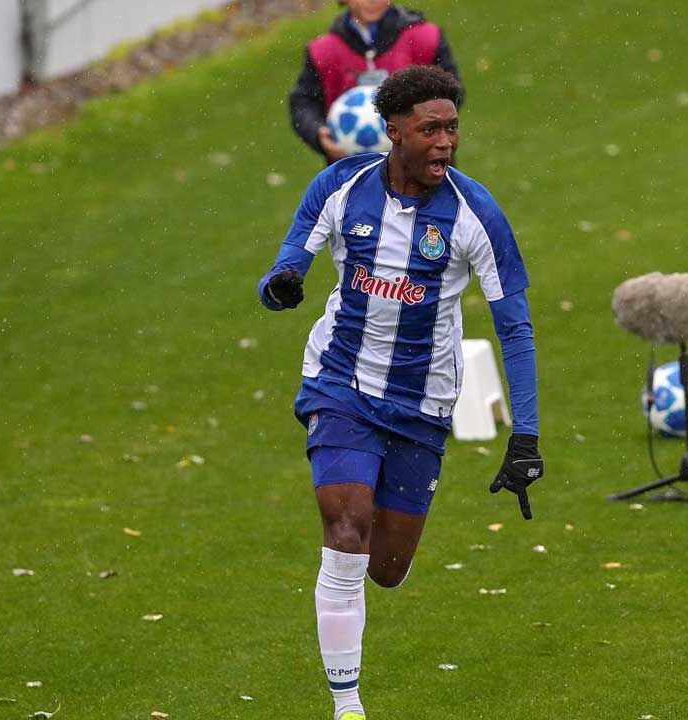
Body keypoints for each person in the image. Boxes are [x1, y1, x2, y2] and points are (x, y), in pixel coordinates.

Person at [258, 66, 541, 720]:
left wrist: (525, 435)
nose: (446, 142)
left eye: (453, 129)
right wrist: (280, 284)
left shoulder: (476, 214)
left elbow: (515, 328)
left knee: (385, 567)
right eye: (431, 129)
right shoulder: (340, 186)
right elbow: (288, 262)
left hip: (422, 402)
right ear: (394, 132)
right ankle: (347, 705)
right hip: (341, 382)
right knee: (345, 527)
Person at [288, 0, 462, 164]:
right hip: (351, 171)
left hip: (423, 169)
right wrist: (318, 134)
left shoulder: (426, 38)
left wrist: (427, 127)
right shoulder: (323, 51)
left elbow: (452, 93)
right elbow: (303, 103)